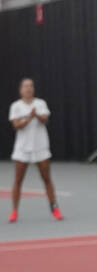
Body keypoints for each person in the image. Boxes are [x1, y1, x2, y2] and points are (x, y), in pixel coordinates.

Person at [8, 78, 61, 223]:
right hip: (22, 149)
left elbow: (45, 119)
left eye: (31, 86)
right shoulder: (16, 106)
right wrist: (29, 118)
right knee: (18, 180)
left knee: (46, 178)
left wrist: (36, 115)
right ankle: (14, 211)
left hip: (40, 147)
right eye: (25, 86)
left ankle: (54, 208)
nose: (28, 88)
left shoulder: (40, 103)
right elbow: (17, 125)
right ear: (21, 90)